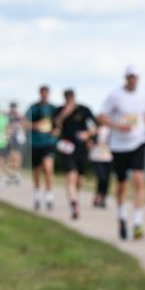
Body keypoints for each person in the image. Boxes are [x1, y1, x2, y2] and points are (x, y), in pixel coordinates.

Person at [99, 66, 145, 240]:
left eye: (136, 77)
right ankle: (122, 216)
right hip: (119, 145)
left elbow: (143, 115)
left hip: (139, 141)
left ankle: (137, 223)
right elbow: (101, 117)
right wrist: (117, 126)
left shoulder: (143, 95)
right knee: (122, 184)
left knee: (139, 180)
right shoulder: (115, 95)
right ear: (126, 78)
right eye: (130, 77)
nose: (133, 80)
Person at [53, 89, 97, 220]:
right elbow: (54, 126)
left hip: (82, 148)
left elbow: (95, 127)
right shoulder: (60, 110)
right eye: (66, 98)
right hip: (68, 148)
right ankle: (74, 203)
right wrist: (63, 115)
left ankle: (75, 197)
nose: (68, 100)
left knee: (79, 180)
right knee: (71, 176)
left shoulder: (84, 110)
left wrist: (88, 135)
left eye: (70, 98)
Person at [25, 86, 58, 210]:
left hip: (49, 143)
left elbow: (59, 123)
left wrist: (56, 130)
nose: (45, 95)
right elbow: (25, 122)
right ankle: (37, 194)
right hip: (35, 143)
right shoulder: (33, 107)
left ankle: (49, 196)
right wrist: (35, 125)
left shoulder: (53, 109)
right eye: (43, 93)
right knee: (37, 171)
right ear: (40, 93)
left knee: (48, 169)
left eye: (47, 93)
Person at [89, 124, 113, 208]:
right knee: (101, 177)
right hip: (97, 157)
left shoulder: (112, 130)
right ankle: (97, 196)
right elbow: (90, 140)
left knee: (107, 179)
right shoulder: (95, 129)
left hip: (108, 157)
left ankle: (102, 198)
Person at [6, 101, 25, 184]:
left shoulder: (18, 116)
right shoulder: (8, 116)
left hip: (18, 138)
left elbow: (19, 125)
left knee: (17, 156)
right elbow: (7, 127)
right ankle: (14, 175)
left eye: (14, 107)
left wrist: (11, 129)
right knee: (11, 157)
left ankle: (17, 175)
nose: (13, 109)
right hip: (11, 139)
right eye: (12, 107)